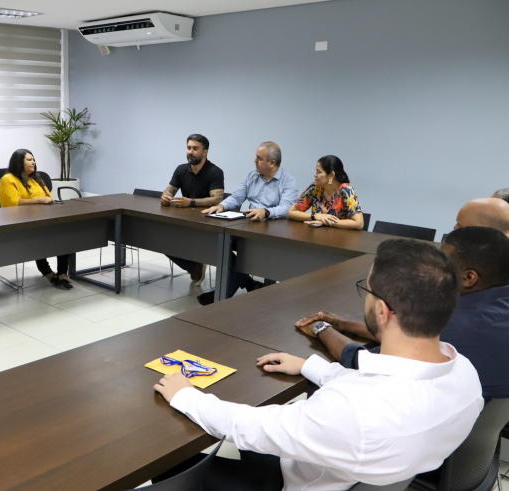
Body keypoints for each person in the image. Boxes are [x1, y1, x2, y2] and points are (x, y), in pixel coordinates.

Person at [153, 239, 482, 490]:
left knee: (166, 461)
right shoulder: (466, 375)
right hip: (350, 469)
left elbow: (249, 427)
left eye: (366, 290)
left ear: (382, 311)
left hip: (298, 480)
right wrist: (311, 366)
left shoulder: (353, 411)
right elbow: (373, 380)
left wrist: (186, 395)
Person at [296, 226, 509, 400]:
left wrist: (321, 328)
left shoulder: (458, 326)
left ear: (468, 278)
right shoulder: (495, 306)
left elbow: (363, 362)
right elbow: (409, 333)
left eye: (443, 263)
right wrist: (346, 324)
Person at [199, 142, 299, 301]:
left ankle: (220, 296)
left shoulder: (289, 180)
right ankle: (247, 282)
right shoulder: (252, 175)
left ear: (272, 162)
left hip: (271, 231)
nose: (254, 161)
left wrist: (266, 212)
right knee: (221, 244)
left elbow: (288, 208)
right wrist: (221, 205)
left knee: (245, 254)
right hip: (247, 225)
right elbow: (237, 197)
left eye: (259, 158)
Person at [0, 149, 73, 289]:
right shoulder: (7, 179)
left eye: (33, 159)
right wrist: (38, 200)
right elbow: (13, 203)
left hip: (43, 219)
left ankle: (63, 274)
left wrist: (44, 201)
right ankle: (48, 273)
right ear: (19, 162)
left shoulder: (36, 178)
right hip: (21, 222)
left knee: (65, 233)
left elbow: (49, 198)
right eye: (29, 160)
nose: (33, 162)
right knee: (37, 238)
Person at [160, 134, 225, 286]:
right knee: (160, 239)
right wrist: (165, 197)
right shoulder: (181, 170)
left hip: (207, 221)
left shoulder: (215, 172)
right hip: (184, 218)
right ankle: (194, 266)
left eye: (195, 148)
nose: (191, 152)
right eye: (189, 148)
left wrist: (191, 202)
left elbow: (217, 199)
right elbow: (169, 191)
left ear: (205, 152)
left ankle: (196, 265)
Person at [287, 155, 364, 229]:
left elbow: (359, 223)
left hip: (340, 239)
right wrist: (315, 216)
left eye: (319, 172)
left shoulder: (346, 190)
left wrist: (327, 222)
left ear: (331, 175)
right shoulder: (314, 188)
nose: (315, 175)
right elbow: (292, 213)